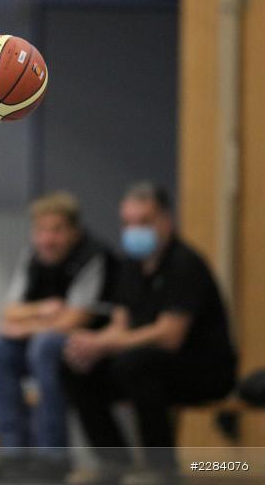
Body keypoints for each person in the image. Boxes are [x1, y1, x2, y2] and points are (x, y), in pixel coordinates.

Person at [61, 182, 236, 485]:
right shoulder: (131, 266)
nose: (134, 230)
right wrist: (93, 344)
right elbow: (120, 322)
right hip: (145, 365)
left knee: (136, 364)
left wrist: (107, 344)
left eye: (144, 222)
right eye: (128, 223)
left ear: (165, 220)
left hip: (204, 368)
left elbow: (169, 336)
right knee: (75, 364)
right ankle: (114, 463)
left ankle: (161, 468)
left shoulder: (185, 263)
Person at [0, 191, 115, 483]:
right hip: (40, 345)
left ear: (73, 232)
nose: (47, 239)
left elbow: (76, 319)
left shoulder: (94, 255)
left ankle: (53, 455)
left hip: (90, 354)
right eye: (41, 230)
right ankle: (13, 452)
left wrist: (29, 324)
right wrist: (44, 309)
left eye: (56, 230)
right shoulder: (32, 255)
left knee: (44, 346)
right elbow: (10, 310)